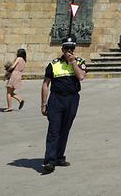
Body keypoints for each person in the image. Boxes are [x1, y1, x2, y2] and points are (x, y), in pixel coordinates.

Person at [41, 36, 87, 174]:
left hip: (72, 99)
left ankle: (59, 157)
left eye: (71, 48)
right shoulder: (53, 64)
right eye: (66, 48)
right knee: (54, 130)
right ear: (62, 49)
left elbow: (81, 77)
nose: (69, 51)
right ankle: (50, 161)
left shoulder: (80, 62)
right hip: (56, 99)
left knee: (65, 129)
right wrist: (43, 104)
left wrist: (73, 62)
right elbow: (45, 85)